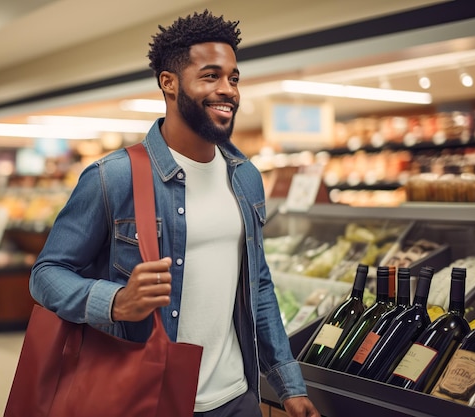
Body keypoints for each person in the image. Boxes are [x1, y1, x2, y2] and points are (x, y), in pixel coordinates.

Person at [30, 10, 320, 417]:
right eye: (211, 76)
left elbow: (257, 286)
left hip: (237, 397)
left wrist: (288, 383)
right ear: (168, 82)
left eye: (233, 78)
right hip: (147, 396)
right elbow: (45, 275)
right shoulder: (114, 176)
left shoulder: (247, 177)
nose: (228, 91)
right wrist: (114, 301)